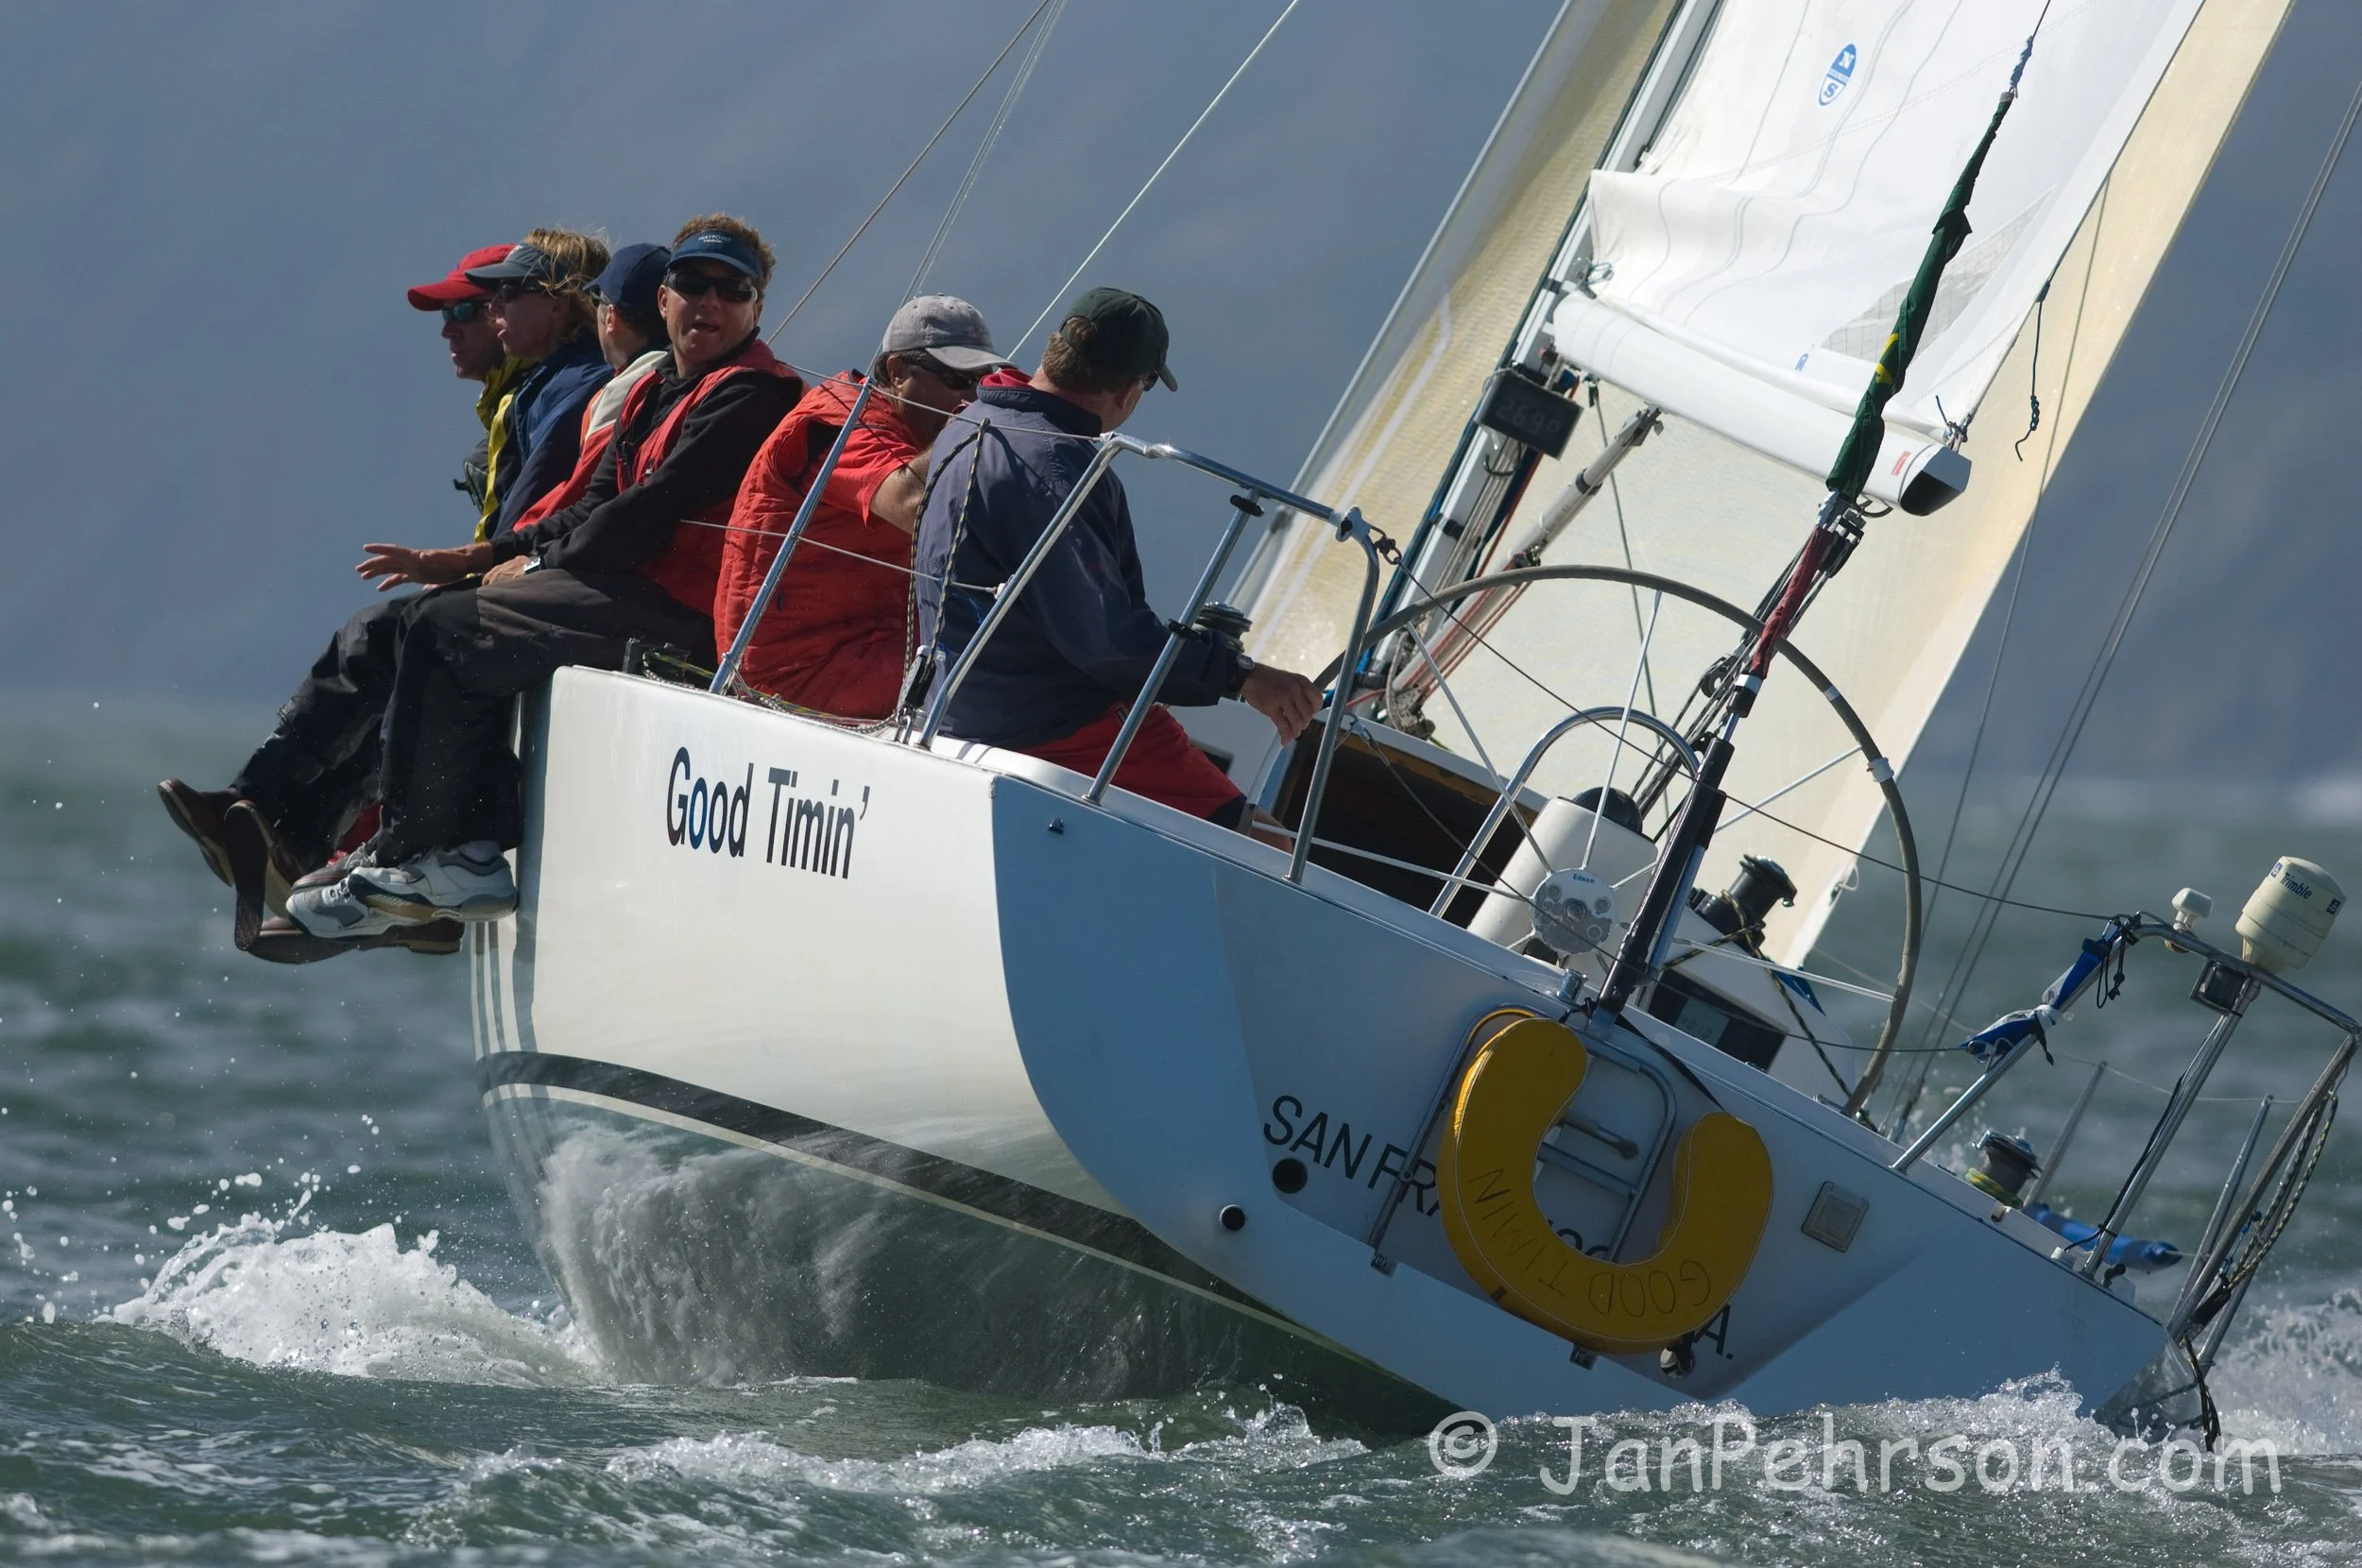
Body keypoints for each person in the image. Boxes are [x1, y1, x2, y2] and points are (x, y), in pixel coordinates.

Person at [285, 216, 803, 941]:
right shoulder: (660, 392)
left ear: (755, 308)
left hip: (683, 610)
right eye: (691, 284)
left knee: (448, 628)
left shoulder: (752, 396)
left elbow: (649, 514)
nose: (708, 303)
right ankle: (445, 845)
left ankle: (426, 850)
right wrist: (473, 560)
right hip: (627, 592)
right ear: (664, 299)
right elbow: (595, 505)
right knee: (434, 613)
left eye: (733, 290)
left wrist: (529, 567)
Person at [157, 242, 523, 958]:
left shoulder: (553, 394)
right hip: (515, 596)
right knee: (393, 645)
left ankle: (342, 857)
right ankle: (298, 836)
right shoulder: (517, 399)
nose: (450, 329)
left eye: (468, 311)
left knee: (393, 639)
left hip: (533, 602)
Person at [912, 288, 1320, 827]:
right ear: (1130, 391)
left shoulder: (969, 423)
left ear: (1054, 348)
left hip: (960, 707)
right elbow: (1105, 638)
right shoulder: (1057, 467)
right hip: (1050, 724)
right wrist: (1240, 675)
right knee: (1266, 848)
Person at [713, 295, 1010, 719]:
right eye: (956, 379)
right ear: (897, 372)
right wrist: (968, 425)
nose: (971, 396)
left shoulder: (915, 428)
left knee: (1023, 651)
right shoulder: (838, 424)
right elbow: (912, 504)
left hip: (872, 644)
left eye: (983, 380)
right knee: (1010, 667)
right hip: (793, 672)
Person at [508, 243, 673, 530]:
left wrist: (494, 554)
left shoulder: (624, 389)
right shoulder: (686, 372)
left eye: (597, 298)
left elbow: (582, 492)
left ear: (610, 317)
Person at [466, 230, 614, 537]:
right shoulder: (556, 380)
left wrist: (475, 564)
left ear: (558, 305)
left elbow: (532, 499)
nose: (493, 307)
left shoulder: (580, 383)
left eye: (508, 290)